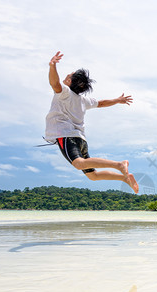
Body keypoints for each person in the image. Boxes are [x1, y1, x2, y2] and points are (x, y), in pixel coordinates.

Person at [45, 51, 139, 193]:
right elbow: (101, 103)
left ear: (70, 82)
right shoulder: (83, 100)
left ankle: (119, 165)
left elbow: (54, 83)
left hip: (66, 136)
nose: (67, 75)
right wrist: (118, 100)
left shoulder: (64, 92)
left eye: (69, 75)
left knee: (78, 164)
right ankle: (124, 178)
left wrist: (52, 66)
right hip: (81, 140)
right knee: (92, 175)